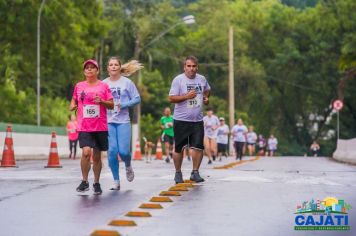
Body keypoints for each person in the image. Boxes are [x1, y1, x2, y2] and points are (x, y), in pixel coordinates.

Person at [70, 59, 114, 195]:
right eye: (87, 68)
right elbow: (74, 99)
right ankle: (84, 181)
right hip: (84, 126)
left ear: (97, 71)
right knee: (86, 152)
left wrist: (102, 101)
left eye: (92, 67)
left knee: (96, 156)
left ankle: (96, 182)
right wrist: (72, 105)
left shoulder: (104, 86)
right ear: (84, 71)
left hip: (100, 126)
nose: (89, 69)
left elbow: (111, 105)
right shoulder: (79, 86)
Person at [168, 55, 210, 183]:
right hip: (181, 120)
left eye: (193, 66)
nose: (191, 69)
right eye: (188, 66)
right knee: (179, 148)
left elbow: (207, 90)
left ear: (197, 67)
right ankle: (178, 173)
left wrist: (206, 98)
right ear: (184, 67)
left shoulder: (202, 79)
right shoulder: (178, 80)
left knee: (198, 147)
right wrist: (186, 96)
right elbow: (171, 98)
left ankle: (195, 172)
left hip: (197, 120)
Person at [103, 57, 142, 190]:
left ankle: (128, 165)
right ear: (107, 68)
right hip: (108, 122)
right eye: (111, 65)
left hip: (123, 121)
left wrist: (124, 105)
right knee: (112, 151)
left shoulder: (127, 83)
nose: (113, 67)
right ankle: (116, 181)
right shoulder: (103, 84)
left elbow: (137, 99)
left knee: (124, 152)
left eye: (115, 65)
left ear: (119, 67)